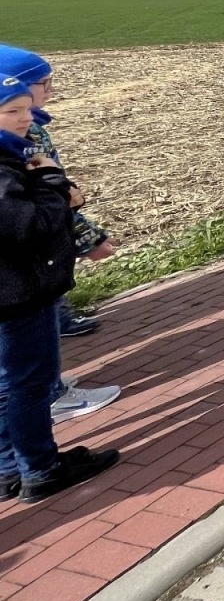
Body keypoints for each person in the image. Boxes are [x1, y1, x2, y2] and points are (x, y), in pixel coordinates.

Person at [0, 77, 120, 503]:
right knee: (28, 385)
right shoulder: (4, 168)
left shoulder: (12, 158)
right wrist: (54, 185)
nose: (25, 119)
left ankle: (10, 469)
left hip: (14, 291)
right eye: (12, 111)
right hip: (18, 294)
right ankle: (41, 468)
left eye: (25, 109)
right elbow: (26, 227)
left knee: (10, 383)